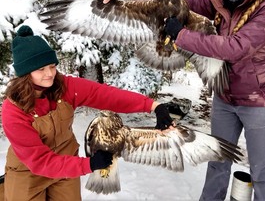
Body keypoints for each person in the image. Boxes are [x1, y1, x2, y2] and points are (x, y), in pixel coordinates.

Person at [101, 0, 265, 200]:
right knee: (217, 163)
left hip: (261, 102)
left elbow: (236, 48)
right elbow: (184, 1)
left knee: (263, 172)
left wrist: (181, 35)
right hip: (225, 97)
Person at [1, 25, 174, 200]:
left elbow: (106, 95)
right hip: (28, 170)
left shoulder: (64, 87)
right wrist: (89, 164)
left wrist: (153, 106)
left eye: (52, 66)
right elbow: (39, 161)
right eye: (41, 69)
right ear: (25, 73)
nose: (50, 74)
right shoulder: (13, 110)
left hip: (66, 162)